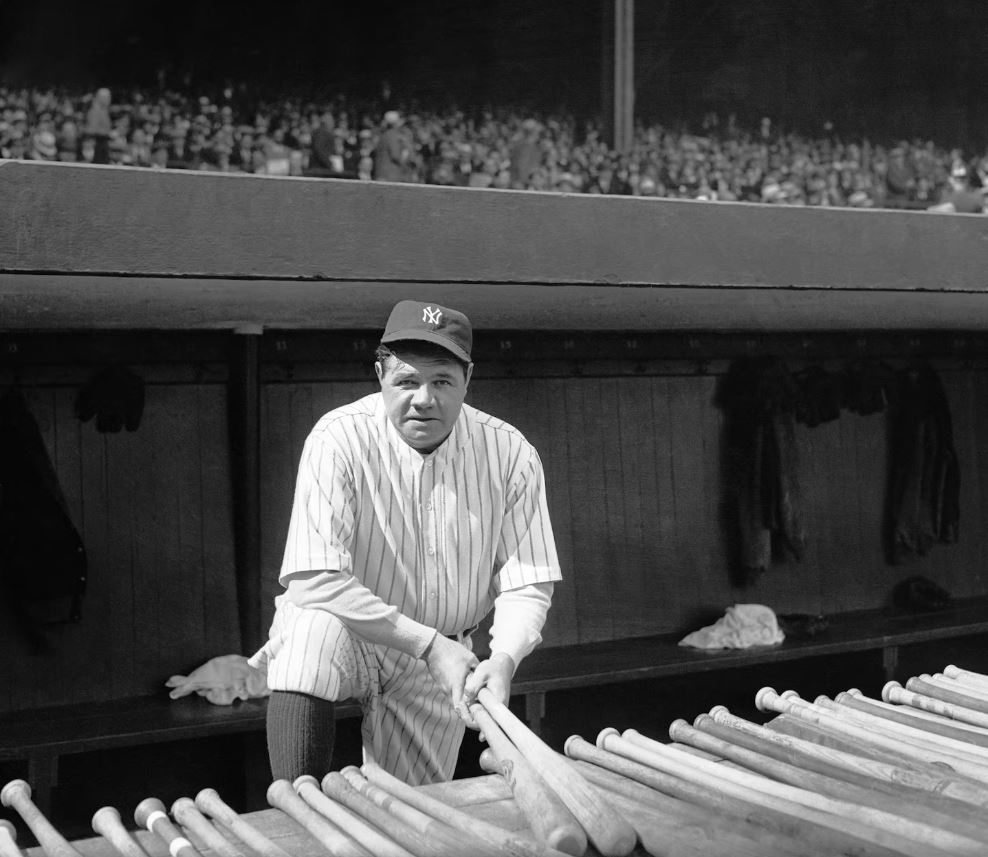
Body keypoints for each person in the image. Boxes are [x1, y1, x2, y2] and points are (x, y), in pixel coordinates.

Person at [249, 300, 561, 786]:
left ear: (467, 379)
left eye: (441, 381)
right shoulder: (338, 437)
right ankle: (296, 809)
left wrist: (503, 659)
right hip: (356, 635)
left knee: (417, 816)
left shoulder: (509, 451)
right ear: (380, 374)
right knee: (309, 629)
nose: (423, 398)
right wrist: (427, 645)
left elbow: (528, 580)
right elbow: (314, 578)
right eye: (407, 381)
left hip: (443, 657)